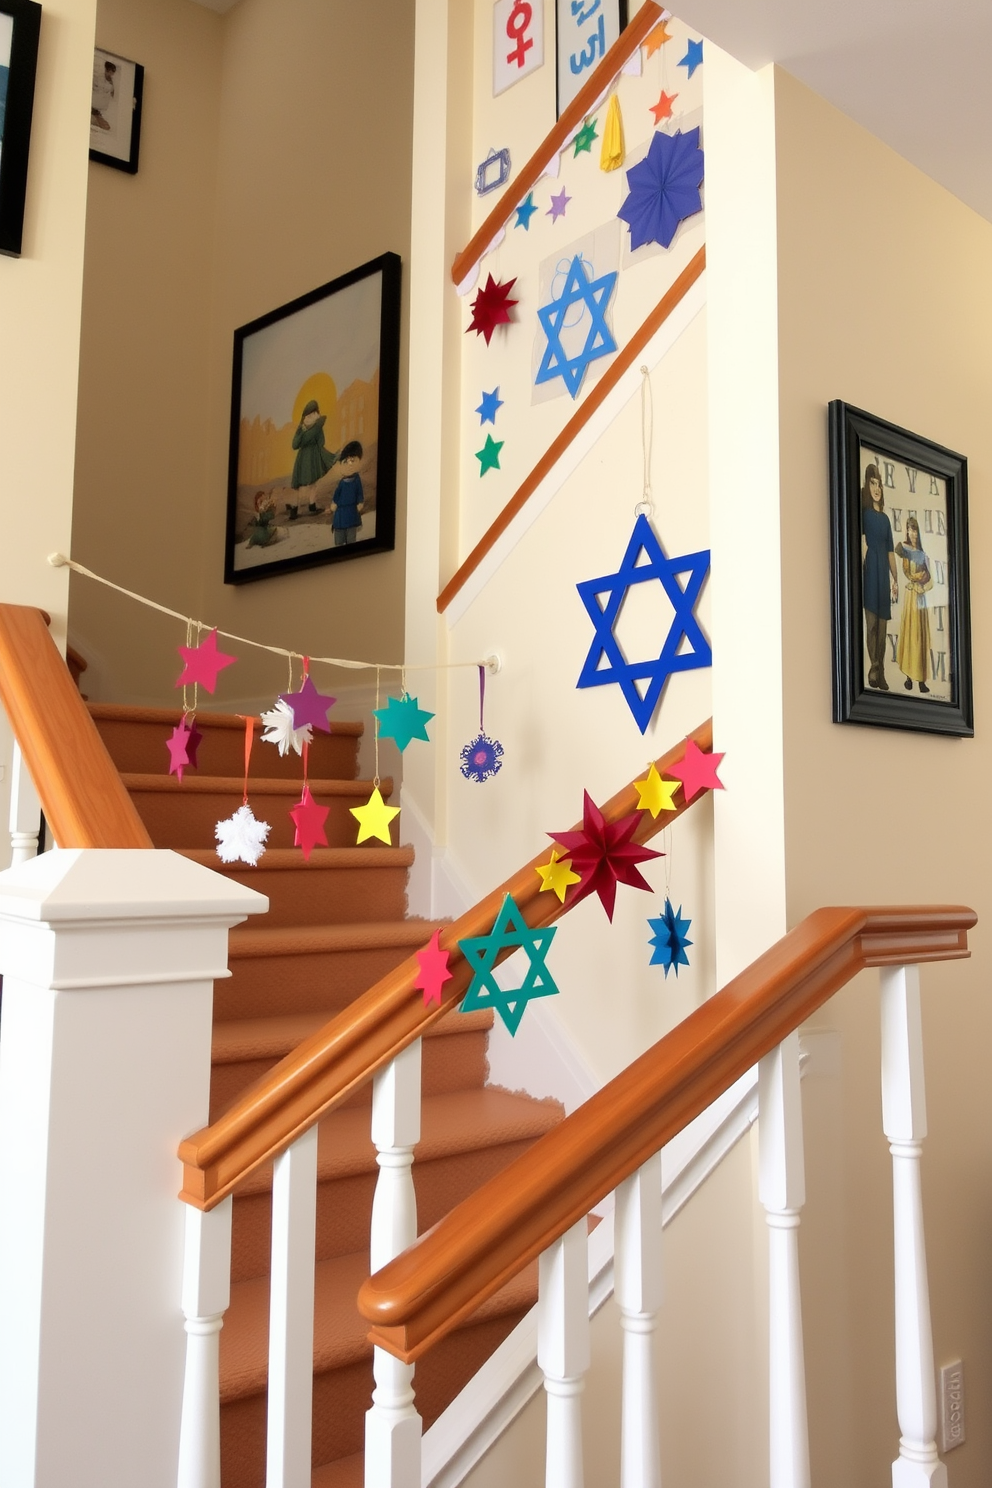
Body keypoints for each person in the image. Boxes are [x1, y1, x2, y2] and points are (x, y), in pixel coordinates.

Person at [861, 463, 898, 690]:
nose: (876, 488)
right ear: (867, 486)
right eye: (872, 483)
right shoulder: (864, 514)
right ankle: (874, 671)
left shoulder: (884, 519)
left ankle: (880, 671)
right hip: (869, 571)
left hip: (883, 574)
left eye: (879, 484)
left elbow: (891, 552)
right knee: (872, 625)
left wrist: (895, 579)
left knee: (883, 628)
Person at [894, 515, 933, 693]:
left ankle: (921, 680)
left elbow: (930, 579)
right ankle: (909, 677)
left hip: (920, 598)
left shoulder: (923, 555)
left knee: (920, 637)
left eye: (915, 529)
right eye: (910, 530)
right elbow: (899, 556)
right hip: (910, 598)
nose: (912, 533)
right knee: (910, 635)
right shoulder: (906, 550)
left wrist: (921, 587)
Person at [288, 400, 336, 519]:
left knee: (303, 484)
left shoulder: (303, 428)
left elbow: (297, 444)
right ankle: (308, 507)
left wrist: (305, 434)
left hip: (306, 455)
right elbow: (296, 444)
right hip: (308, 456)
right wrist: (312, 431)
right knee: (307, 484)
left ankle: (299, 509)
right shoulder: (311, 427)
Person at [328, 441, 365, 546]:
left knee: (351, 538)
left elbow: (359, 493)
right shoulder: (341, 483)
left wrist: (360, 502)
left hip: (352, 512)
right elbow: (337, 494)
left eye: (352, 461)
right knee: (339, 539)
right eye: (346, 461)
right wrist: (334, 504)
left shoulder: (357, 480)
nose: (349, 465)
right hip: (340, 514)